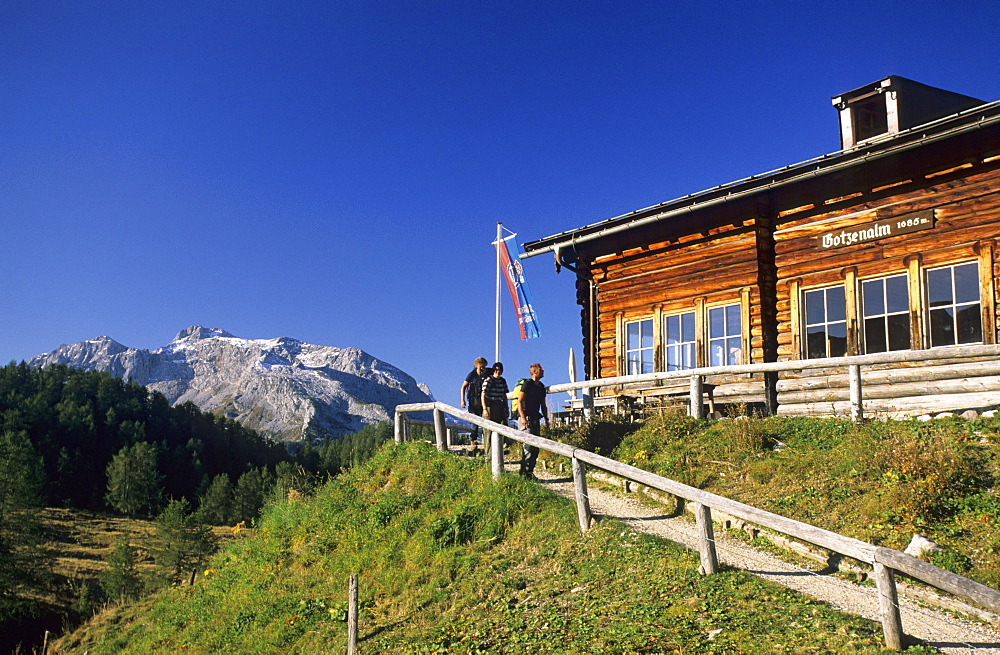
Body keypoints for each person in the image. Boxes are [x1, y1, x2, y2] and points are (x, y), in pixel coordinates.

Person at [516, 362, 547, 478]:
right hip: (526, 417)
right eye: (540, 369)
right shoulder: (527, 384)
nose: (543, 371)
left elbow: (543, 405)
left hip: (535, 418)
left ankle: (530, 472)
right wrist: (523, 417)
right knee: (527, 446)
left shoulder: (541, 386)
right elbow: (520, 401)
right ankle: (524, 473)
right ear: (535, 371)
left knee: (535, 447)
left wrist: (547, 419)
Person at [481, 362, 510, 455]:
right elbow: (483, 395)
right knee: (488, 432)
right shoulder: (488, 380)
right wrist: (485, 409)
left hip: (499, 406)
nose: (498, 372)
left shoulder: (502, 381)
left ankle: (498, 452)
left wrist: (506, 407)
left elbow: (504, 395)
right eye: (496, 370)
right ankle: (488, 455)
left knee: (501, 429)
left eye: (500, 370)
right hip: (490, 406)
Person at [460, 357, 490, 445]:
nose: (482, 369)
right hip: (473, 402)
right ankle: (473, 442)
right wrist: (462, 400)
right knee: (474, 424)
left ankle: (487, 443)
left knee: (486, 423)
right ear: (476, 366)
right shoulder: (471, 375)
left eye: (483, 367)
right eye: (480, 367)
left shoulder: (487, 373)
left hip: (484, 402)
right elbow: (463, 386)